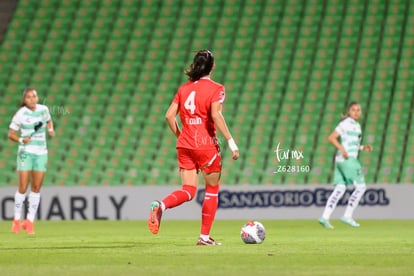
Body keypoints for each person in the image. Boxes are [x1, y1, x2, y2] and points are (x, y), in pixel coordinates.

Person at [147, 50, 239, 245]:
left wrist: (181, 136)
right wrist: (231, 141)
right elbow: (216, 115)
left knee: (188, 190)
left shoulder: (184, 89)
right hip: (205, 145)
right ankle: (204, 237)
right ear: (212, 66)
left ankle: (161, 205)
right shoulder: (217, 88)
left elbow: (169, 116)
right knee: (212, 189)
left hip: (185, 145)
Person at [318, 101, 373, 229]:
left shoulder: (357, 126)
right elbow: (331, 137)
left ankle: (325, 217)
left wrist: (363, 147)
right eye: (354, 110)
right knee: (361, 187)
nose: (356, 112)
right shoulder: (345, 124)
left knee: (340, 188)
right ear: (349, 111)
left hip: (339, 160)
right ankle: (347, 215)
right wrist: (342, 149)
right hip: (348, 159)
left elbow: (352, 144)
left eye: (358, 110)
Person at [8, 88, 55, 234]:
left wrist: (50, 130)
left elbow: (48, 120)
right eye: (29, 97)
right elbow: (11, 134)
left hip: (41, 153)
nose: (32, 99)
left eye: (34, 96)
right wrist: (22, 139)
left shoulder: (44, 109)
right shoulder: (20, 114)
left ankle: (29, 221)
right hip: (26, 152)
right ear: (24, 100)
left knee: (36, 187)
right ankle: (16, 220)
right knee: (23, 186)